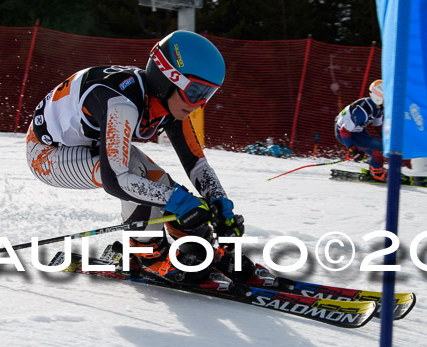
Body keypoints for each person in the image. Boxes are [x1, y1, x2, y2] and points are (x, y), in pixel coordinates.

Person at [25, 30, 269, 287]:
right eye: (196, 91)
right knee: (138, 177)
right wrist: (181, 203)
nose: (199, 104)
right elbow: (116, 180)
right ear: (168, 79)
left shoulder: (169, 100)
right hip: (47, 155)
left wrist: (219, 203)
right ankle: (143, 253)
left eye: (208, 94)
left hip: (88, 142)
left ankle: (199, 246)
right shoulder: (120, 102)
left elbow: (196, 163)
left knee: (162, 186)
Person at [334, 80, 387, 181]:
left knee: (380, 146)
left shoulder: (378, 107)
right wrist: (353, 149)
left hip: (357, 130)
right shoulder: (363, 111)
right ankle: (377, 173)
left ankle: (374, 167)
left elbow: (378, 126)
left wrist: (388, 139)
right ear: (378, 96)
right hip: (345, 133)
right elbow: (344, 130)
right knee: (377, 147)